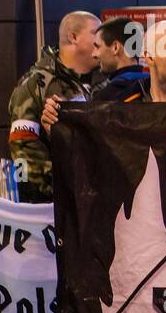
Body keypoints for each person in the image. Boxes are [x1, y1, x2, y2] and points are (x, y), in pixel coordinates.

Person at [7, 11, 100, 201]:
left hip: (94, 202)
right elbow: (24, 145)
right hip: (50, 206)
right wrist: (65, 187)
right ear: (73, 37)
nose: (101, 41)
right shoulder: (35, 84)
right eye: (95, 33)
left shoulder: (103, 82)